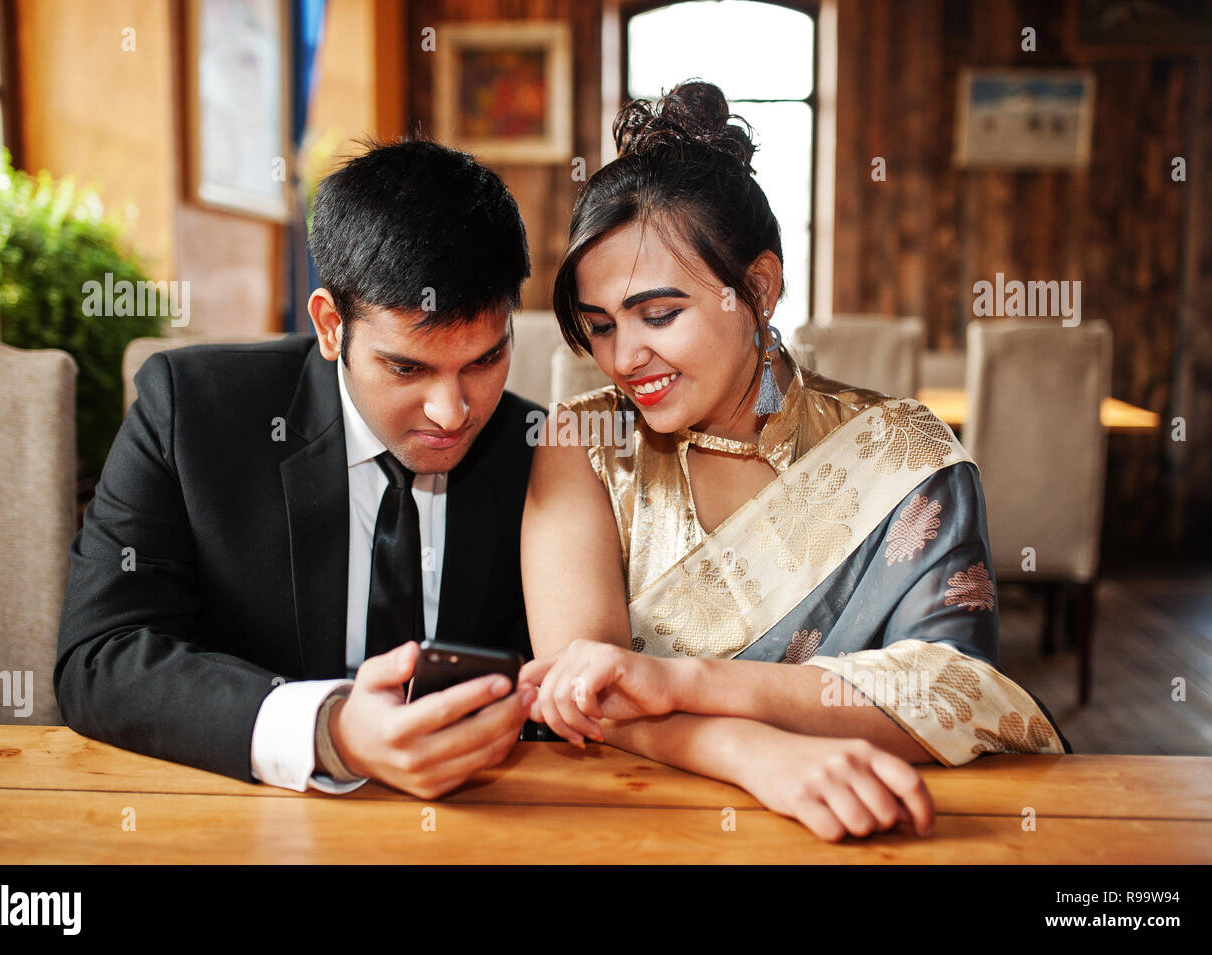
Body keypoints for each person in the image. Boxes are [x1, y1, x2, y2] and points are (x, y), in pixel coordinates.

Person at [520, 81, 1070, 843]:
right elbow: (586, 696)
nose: (625, 356)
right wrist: (754, 751)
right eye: (600, 326)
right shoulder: (579, 446)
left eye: (659, 315)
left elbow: (953, 689)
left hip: (866, 823)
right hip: (636, 825)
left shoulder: (900, 451)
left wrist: (689, 680)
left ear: (759, 287)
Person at [56, 138, 543, 799]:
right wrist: (327, 731)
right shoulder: (193, 413)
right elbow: (100, 656)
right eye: (408, 367)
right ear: (330, 324)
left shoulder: (537, 451)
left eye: (484, 361)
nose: (453, 412)